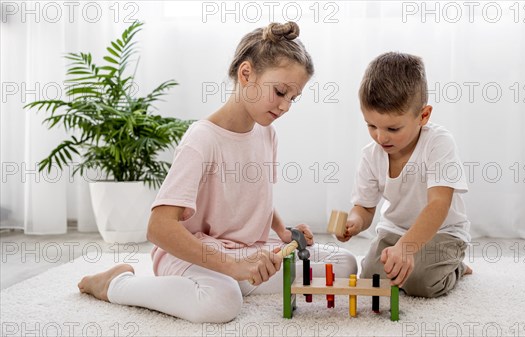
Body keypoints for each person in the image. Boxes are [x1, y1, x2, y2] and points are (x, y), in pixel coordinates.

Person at [78, 22, 357, 323]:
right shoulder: (202, 140)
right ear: (246, 74)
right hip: (195, 252)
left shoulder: (266, 134)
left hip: (248, 249)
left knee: (345, 264)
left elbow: (255, 195)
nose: (286, 106)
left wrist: (281, 230)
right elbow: (158, 228)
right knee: (220, 304)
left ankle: (239, 279)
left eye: (293, 98)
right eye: (279, 92)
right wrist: (233, 266)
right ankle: (117, 284)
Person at [336, 52, 472, 298]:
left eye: (392, 128)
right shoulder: (371, 155)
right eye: (371, 125)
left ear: (423, 116)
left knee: (422, 281)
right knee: (371, 277)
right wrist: (354, 222)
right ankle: (422, 261)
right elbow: (364, 208)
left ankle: (455, 267)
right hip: (395, 231)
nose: (381, 137)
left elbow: (439, 204)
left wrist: (408, 248)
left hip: (442, 232)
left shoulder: (438, 143)